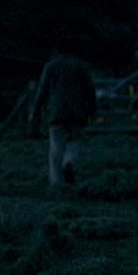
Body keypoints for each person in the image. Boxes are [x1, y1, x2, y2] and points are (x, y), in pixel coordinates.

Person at [29, 50, 97, 187]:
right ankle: (69, 162)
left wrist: (35, 111)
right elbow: (90, 90)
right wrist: (92, 111)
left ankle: (56, 182)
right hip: (78, 112)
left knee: (56, 148)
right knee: (75, 141)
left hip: (56, 112)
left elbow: (42, 90)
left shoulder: (51, 66)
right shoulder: (82, 66)